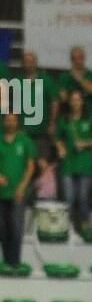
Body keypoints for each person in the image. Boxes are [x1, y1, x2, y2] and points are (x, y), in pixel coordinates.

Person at [55, 89, 92, 233]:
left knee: (82, 198)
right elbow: (57, 138)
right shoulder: (64, 119)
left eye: (78, 99)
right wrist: (60, 147)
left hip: (84, 163)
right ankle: (67, 228)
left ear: (82, 102)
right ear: (70, 102)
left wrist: (84, 144)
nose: (75, 102)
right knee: (69, 199)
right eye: (73, 100)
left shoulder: (90, 118)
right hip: (68, 164)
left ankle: (84, 227)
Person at [0, 112, 36, 267]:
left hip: (18, 193)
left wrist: (22, 187)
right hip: (1, 192)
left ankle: (15, 262)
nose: (10, 122)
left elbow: (30, 166)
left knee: (16, 228)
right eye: (7, 119)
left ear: (17, 122)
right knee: (2, 228)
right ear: (3, 122)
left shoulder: (25, 141)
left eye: (13, 120)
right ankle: (6, 261)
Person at [56, 46, 92, 121]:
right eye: (74, 58)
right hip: (71, 117)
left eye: (80, 58)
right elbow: (62, 98)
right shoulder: (65, 76)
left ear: (84, 58)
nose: (77, 61)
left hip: (89, 116)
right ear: (71, 60)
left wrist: (79, 78)